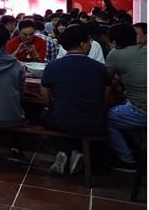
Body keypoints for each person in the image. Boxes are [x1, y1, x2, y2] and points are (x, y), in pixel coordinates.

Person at [41, 25, 110, 174]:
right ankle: (75, 152)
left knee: (45, 116)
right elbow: (105, 96)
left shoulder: (53, 66)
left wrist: (51, 106)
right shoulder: (99, 68)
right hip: (94, 122)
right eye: (89, 42)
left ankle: (66, 150)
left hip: (62, 120)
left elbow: (45, 94)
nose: (90, 44)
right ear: (82, 44)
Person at [106, 23, 147, 171]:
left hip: (142, 110)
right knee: (124, 112)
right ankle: (139, 150)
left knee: (106, 118)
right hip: (139, 106)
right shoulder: (145, 50)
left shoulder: (115, 54)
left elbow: (105, 82)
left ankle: (127, 160)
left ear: (113, 42)